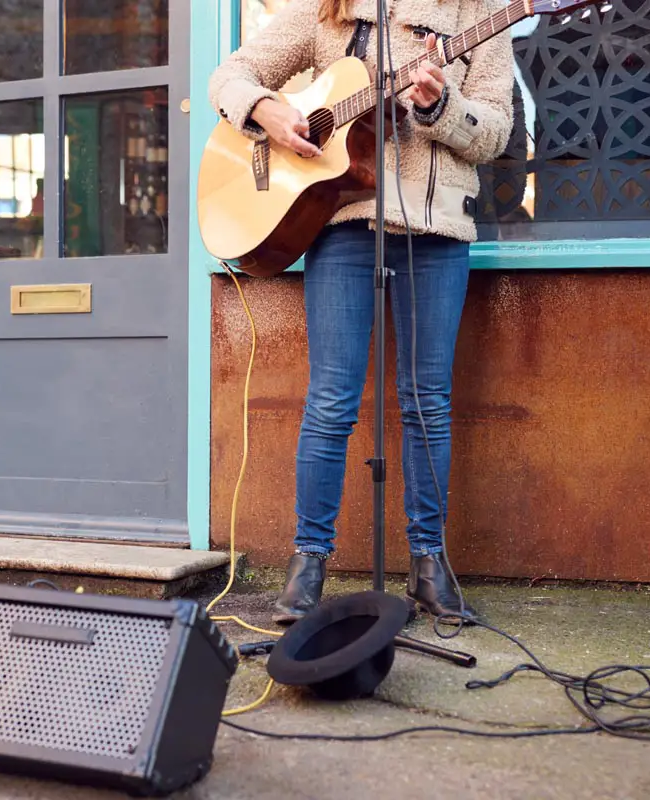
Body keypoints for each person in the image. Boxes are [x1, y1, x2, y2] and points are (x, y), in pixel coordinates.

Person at [209, 0, 514, 625]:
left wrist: (437, 109)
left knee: (427, 402)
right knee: (331, 400)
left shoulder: (481, 14)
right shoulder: (331, 10)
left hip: (437, 230)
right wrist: (268, 110)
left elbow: (497, 131)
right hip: (344, 227)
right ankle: (308, 561)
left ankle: (429, 565)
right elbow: (230, 77)